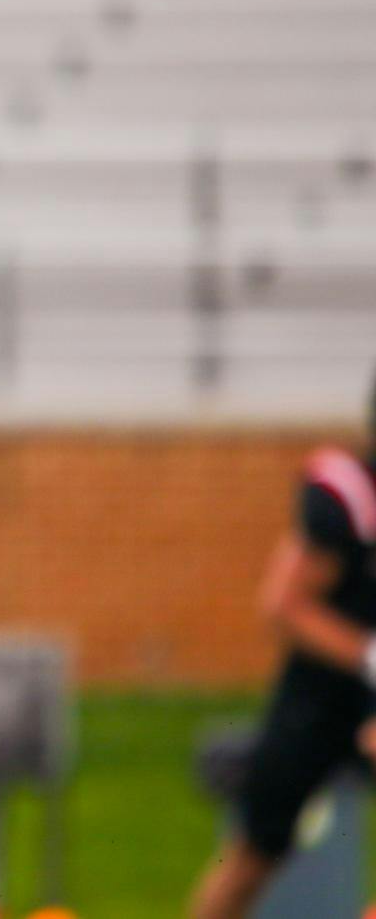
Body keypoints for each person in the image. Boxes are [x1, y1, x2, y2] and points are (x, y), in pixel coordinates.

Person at [191, 371, 376, 919]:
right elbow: (284, 605)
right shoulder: (350, 495)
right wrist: (368, 655)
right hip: (320, 698)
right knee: (255, 853)